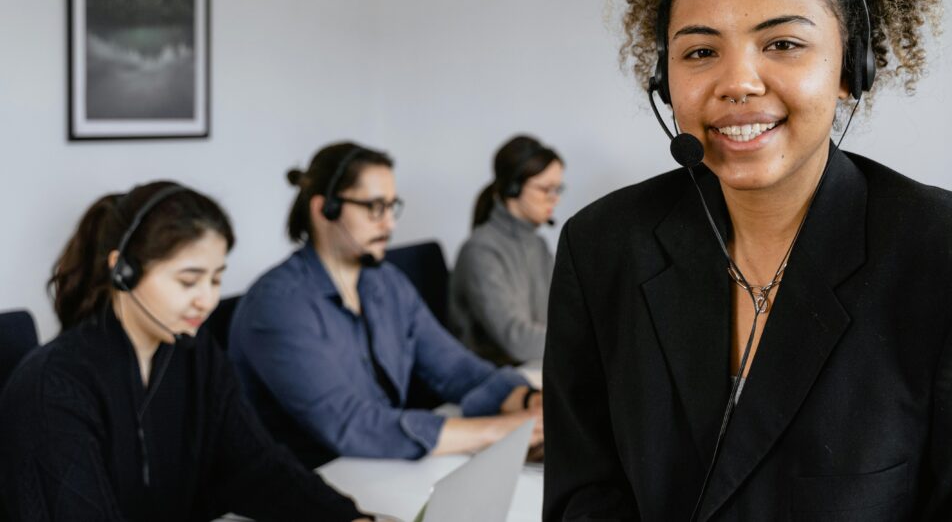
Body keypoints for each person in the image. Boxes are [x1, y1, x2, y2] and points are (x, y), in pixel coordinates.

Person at [543, 0, 952, 520]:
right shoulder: (602, 249)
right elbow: (583, 496)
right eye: (701, 51)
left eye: (784, 44)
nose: (737, 81)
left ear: (851, 67)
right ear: (663, 80)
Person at [0, 181, 373, 522]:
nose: (207, 300)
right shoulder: (55, 386)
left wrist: (348, 518)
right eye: (188, 281)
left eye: (216, 279)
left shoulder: (194, 354)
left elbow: (257, 466)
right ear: (123, 272)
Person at [229, 142, 543, 468]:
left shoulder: (387, 283)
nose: (389, 224)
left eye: (392, 207)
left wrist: (528, 402)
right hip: (317, 482)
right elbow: (350, 425)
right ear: (324, 209)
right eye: (374, 208)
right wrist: (497, 431)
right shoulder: (277, 306)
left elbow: (454, 368)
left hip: (381, 468)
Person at [451, 135, 563, 366]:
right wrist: (581, 340)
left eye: (558, 189)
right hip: (495, 378)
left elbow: (558, 316)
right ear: (513, 188)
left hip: (532, 368)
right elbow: (517, 341)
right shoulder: (480, 251)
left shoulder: (539, 245)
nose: (555, 200)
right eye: (546, 189)